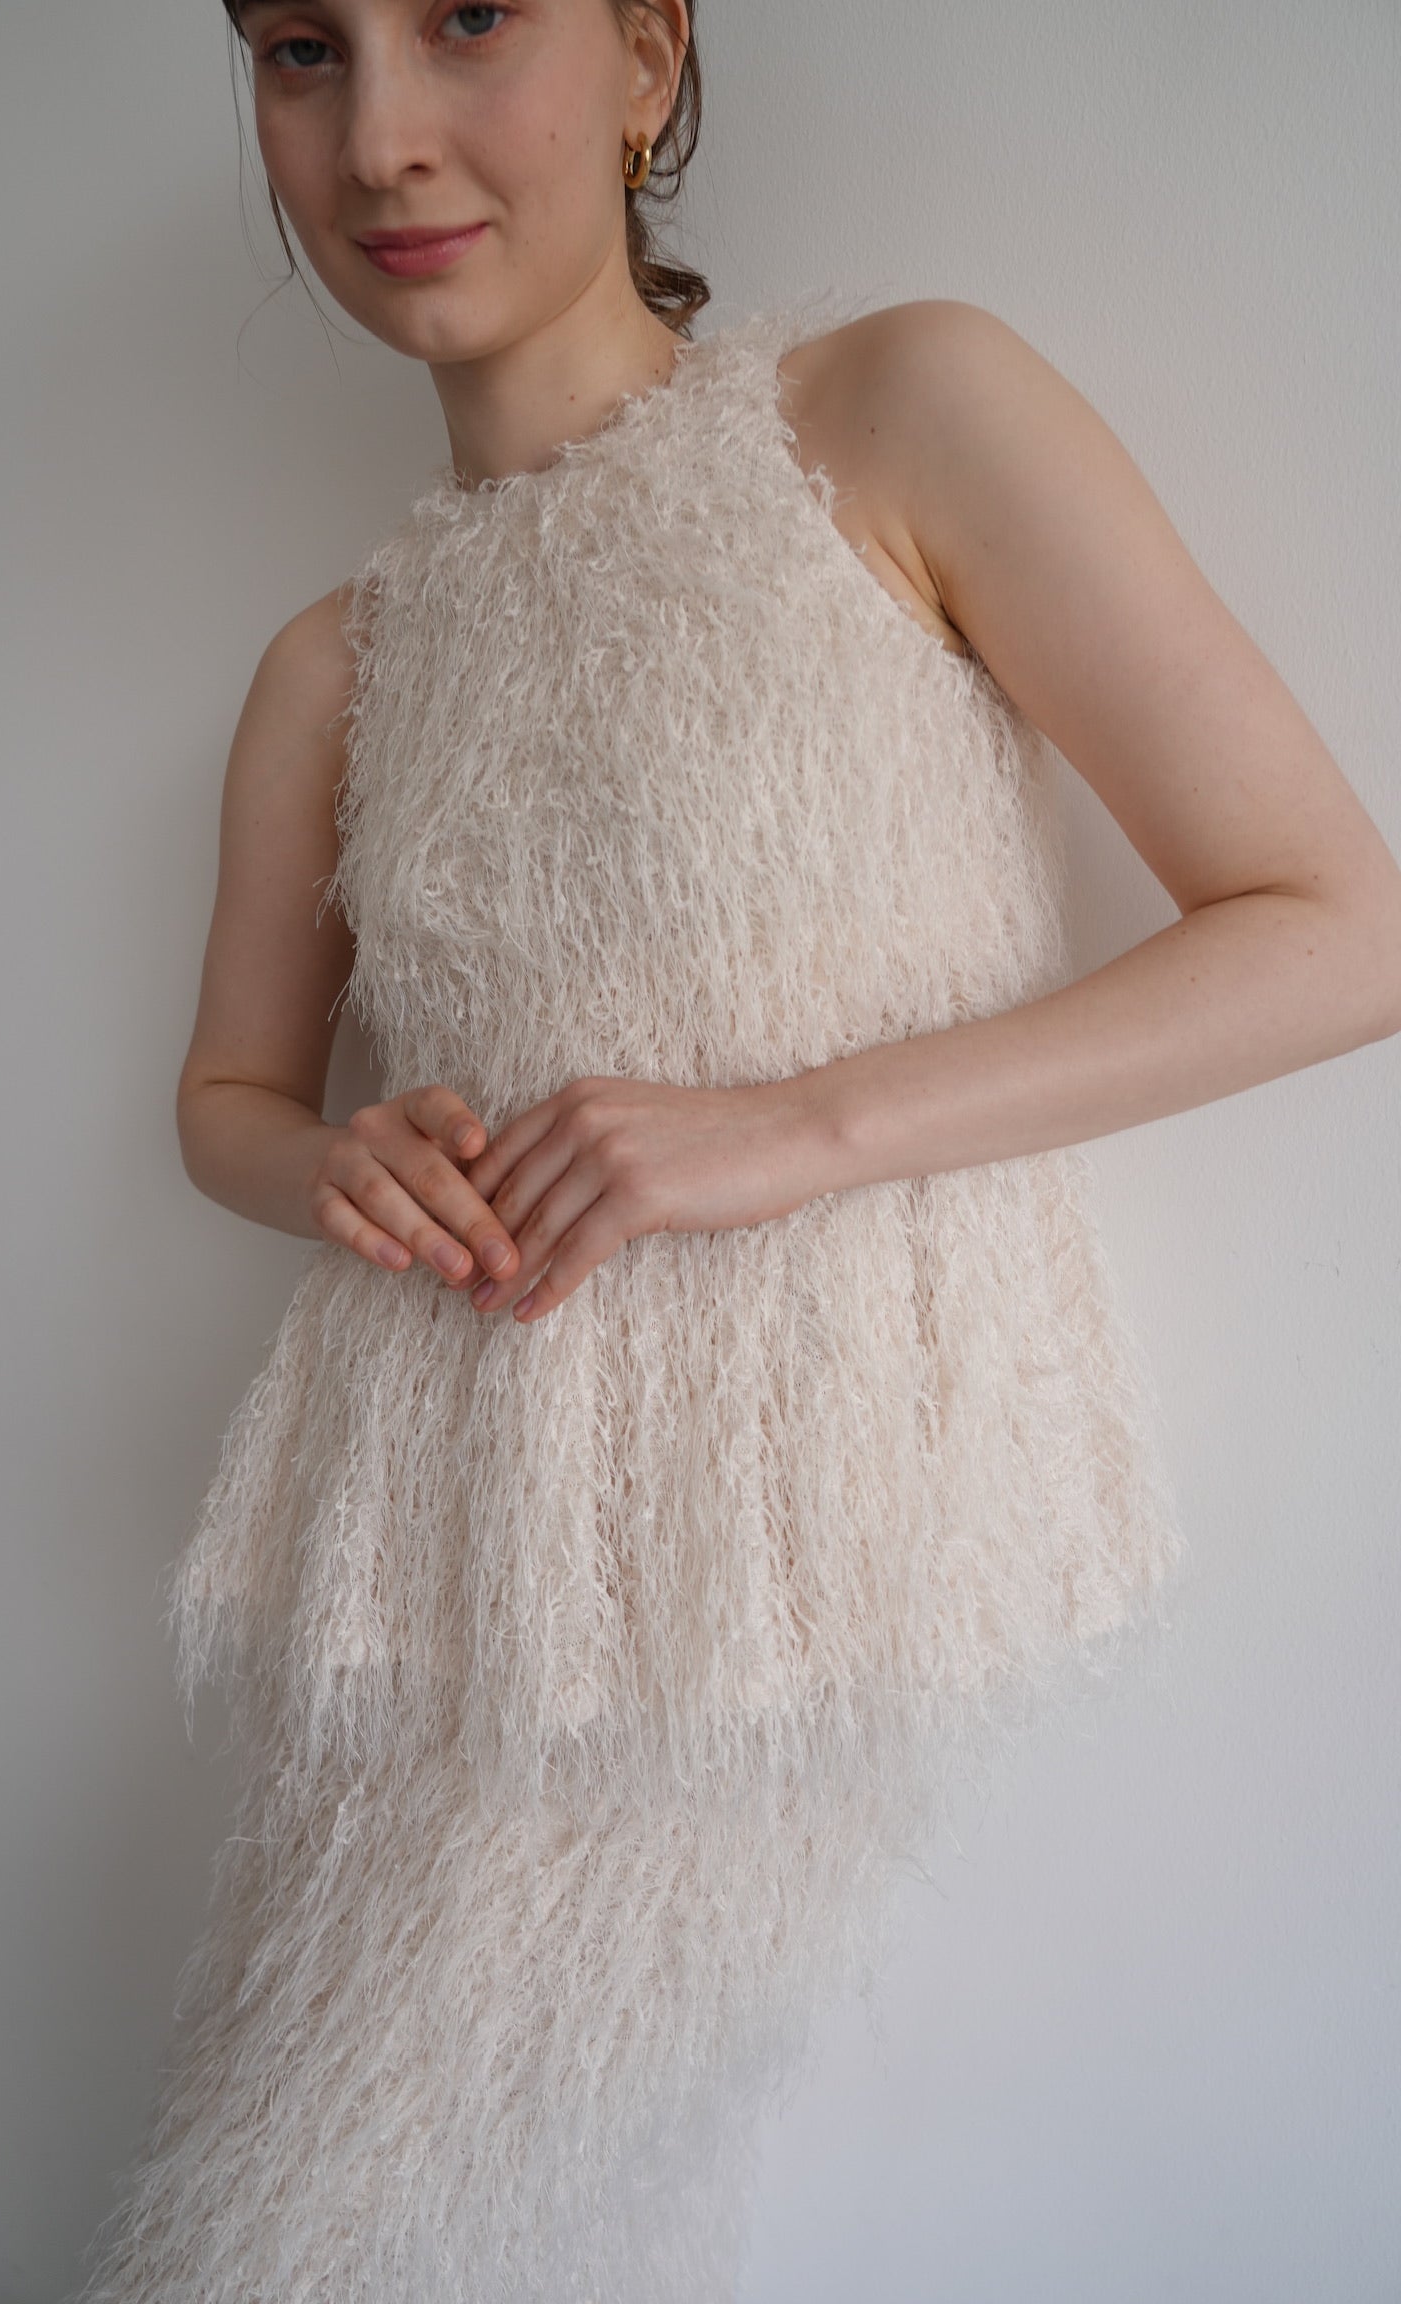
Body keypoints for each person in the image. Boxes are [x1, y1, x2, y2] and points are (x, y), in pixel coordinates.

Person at [72, 2, 1401, 2299]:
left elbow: (1335, 926)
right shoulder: (331, 667)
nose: (380, 139)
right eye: (300, 49)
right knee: (318, 2181)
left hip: (792, 1550)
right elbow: (227, 1104)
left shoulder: (891, 413)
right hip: (442, 1539)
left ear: (649, 56)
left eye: (467, 18)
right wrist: (333, 1165)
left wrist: (799, 1127)